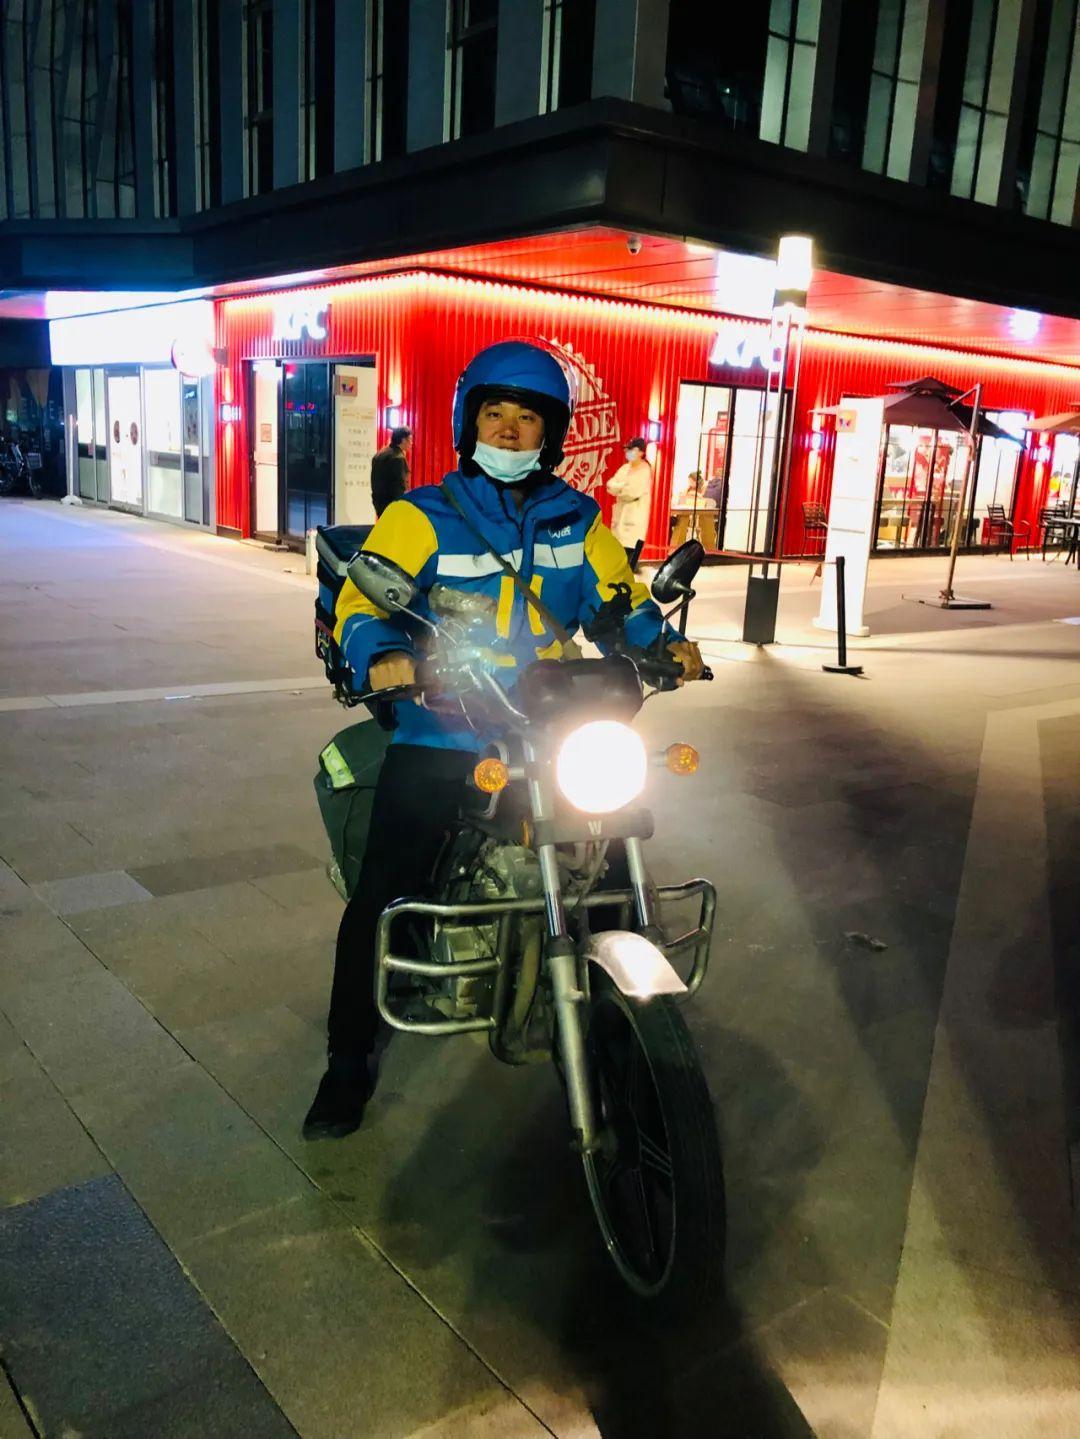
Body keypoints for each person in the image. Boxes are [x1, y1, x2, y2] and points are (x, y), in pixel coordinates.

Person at [303, 339, 704, 1139]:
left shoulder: (576, 519)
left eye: (528, 418)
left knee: (612, 857)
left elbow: (617, 598)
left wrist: (661, 642)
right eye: (496, 414)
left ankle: (623, 1021)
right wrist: (381, 654)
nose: (512, 430)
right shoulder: (422, 516)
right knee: (385, 887)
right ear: (470, 423)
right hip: (444, 726)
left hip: (553, 725)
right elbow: (362, 601)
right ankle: (348, 1059)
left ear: (550, 434)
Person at [606, 437, 653, 566]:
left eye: (631, 450)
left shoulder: (644, 470)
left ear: (641, 452)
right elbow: (610, 485)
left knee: (628, 564)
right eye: (627, 450)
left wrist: (619, 488)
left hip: (633, 525)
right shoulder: (625, 468)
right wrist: (622, 486)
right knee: (615, 561)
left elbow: (632, 492)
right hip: (618, 523)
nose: (628, 453)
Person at [370, 425, 413, 516]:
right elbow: (399, 486)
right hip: (392, 505)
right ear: (403, 440)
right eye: (410, 439)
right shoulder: (398, 458)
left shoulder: (380, 454)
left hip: (378, 503)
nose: (411, 443)